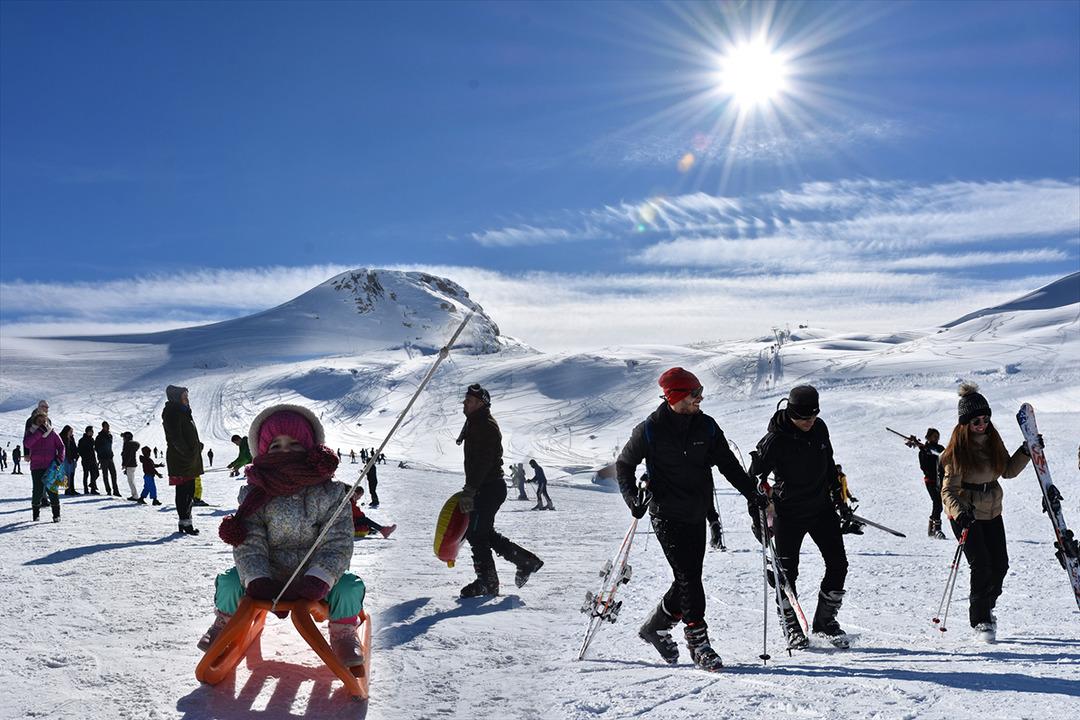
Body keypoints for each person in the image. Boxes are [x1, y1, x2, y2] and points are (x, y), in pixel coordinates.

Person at [198, 404, 367, 668]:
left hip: (317, 580)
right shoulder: (254, 495)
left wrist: (320, 577)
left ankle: (344, 633)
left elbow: (338, 541)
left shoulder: (331, 494)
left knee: (349, 586)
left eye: (295, 445)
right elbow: (249, 541)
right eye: (276, 446)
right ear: (263, 452)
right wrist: (256, 578)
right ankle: (225, 624)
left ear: (312, 450)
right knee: (230, 581)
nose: (285, 451)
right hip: (268, 576)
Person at [616, 367, 762, 672]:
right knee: (689, 577)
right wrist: (633, 500)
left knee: (688, 577)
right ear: (676, 396)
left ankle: (655, 626)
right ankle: (699, 644)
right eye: (695, 394)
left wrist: (753, 493)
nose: (700, 399)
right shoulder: (650, 429)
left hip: (696, 512)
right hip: (666, 514)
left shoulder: (706, 427)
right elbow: (624, 464)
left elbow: (729, 466)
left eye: (700, 393)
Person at [750, 385, 855, 650]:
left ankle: (825, 622)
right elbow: (753, 478)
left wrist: (839, 499)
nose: (809, 423)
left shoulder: (819, 428)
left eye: (813, 417)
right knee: (786, 574)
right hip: (789, 512)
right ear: (791, 412)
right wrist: (758, 514)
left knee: (838, 564)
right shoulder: (775, 439)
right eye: (804, 418)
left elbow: (829, 465)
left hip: (821, 509)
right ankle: (791, 626)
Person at [940, 383, 1031, 643]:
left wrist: (1026, 452)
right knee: (981, 564)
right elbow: (948, 492)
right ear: (965, 423)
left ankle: (987, 606)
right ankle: (980, 620)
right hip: (966, 513)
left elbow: (1008, 471)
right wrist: (960, 514)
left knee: (1000, 564)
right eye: (976, 420)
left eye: (985, 418)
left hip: (992, 510)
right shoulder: (957, 451)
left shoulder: (993, 440)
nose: (982, 424)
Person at [457, 383, 543, 598]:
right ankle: (525, 561)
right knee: (484, 533)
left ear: (480, 403)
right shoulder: (476, 422)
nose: (465, 403)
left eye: (469, 400)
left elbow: (484, 462)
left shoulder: (485, 425)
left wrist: (470, 490)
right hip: (486, 487)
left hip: (488, 488)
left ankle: (488, 583)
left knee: (477, 535)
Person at [162, 385, 204, 535]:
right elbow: (175, 437)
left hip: (187, 459)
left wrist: (196, 446)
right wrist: (187, 452)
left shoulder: (183, 412)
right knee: (184, 492)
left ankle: (187, 522)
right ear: (176, 398)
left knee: (189, 491)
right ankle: (185, 523)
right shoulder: (172, 412)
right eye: (184, 396)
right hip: (180, 459)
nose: (187, 399)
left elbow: (186, 434)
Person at [24, 408, 65, 522]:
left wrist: (59, 459)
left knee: (52, 490)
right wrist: (39, 433)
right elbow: (27, 444)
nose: (42, 423)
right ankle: (36, 514)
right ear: (35, 421)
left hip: (50, 466)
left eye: (44, 421)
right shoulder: (31, 432)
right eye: (39, 421)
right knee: (37, 491)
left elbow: (61, 447)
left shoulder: (52, 432)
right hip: (36, 466)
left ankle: (56, 515)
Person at [906, 428, 947, 539]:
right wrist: (926, 453)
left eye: (937, 436)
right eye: (934, 436)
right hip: (930, 480)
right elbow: (924, 467)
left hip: (941, 480)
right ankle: (937, 529)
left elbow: (945, 458)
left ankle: (932, 524)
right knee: (937, 502)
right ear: (928, 437)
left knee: (939, 504)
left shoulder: (940, 448)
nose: (937, 438)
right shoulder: (923, 451)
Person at [96, 421, 120, 496]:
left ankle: (116, 491)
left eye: (108, 426)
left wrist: (111, 454)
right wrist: (100, 456)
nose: (108, 427)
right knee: (105, 475)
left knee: (114, 474)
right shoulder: (99, 436)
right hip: (103, 458)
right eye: (106, 426)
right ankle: (108, 490)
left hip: (110, 457)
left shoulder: (110, 435)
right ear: (103, 427)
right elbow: (96, 447)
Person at [77, 426, 100, 493]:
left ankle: (93, 488)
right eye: (91, 431)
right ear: (87, 432)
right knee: (86, 475)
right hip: (86, 460)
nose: (92, 433)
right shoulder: (82, 440)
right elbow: (79, 450)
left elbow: (94, 449)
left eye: (92, 431)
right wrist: (84, 456)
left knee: (95, 474)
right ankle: (86, 489)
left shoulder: (92, 439)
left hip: (93, 460)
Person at [120, 431, 141, 501]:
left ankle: (135, 496)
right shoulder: (131, 445)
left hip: (130, 465)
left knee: (131, 481)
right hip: (132, 465)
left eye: (124, 437)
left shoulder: (127, 445)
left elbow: (128, 456)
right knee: (131, 480)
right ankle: (135, 495)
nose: (123, 439)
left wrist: (124, 465)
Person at [60, 426, 80, 496]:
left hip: (72, 459)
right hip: (66, 459)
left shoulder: (71, 438)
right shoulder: (63, 438)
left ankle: (72, 489)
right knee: (67, 475)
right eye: (70, 431)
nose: (72, 433)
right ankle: (67, 490)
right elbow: (65, 449)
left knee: (72, 474)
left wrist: (76, 455)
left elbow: (74, 447)